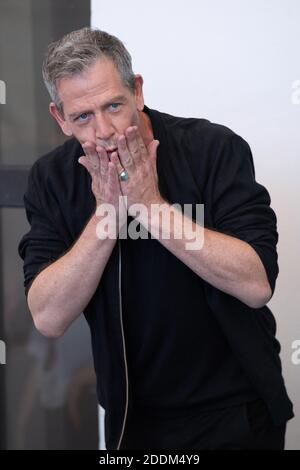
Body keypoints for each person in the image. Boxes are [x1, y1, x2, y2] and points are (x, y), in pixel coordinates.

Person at [18, 27, 293, 450]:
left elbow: (256, 285)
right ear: (60, 119)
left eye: (114, 105)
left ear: (138, 91)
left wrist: (150, 206)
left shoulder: (212, 149)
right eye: (82, 117)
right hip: (133, 418)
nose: (105, 130)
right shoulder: (51, 179)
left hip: (236, 410)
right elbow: (48, 316)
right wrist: (107, 216)